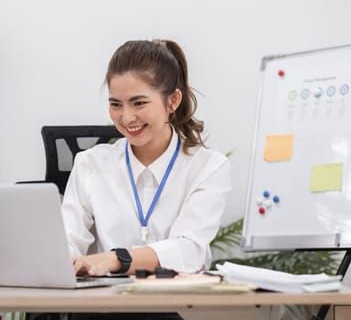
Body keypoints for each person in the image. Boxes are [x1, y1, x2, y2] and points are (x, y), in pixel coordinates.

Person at [62, 39, 231, 279]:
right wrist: (69, 261)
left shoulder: (208, 167)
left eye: (139, 103)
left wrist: (115, 259)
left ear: (172, 101)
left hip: (174, 306)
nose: (127, 117)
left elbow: (190, 251)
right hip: (103, 306)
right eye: (115, 104)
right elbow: (66, 244)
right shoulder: (90, 164)